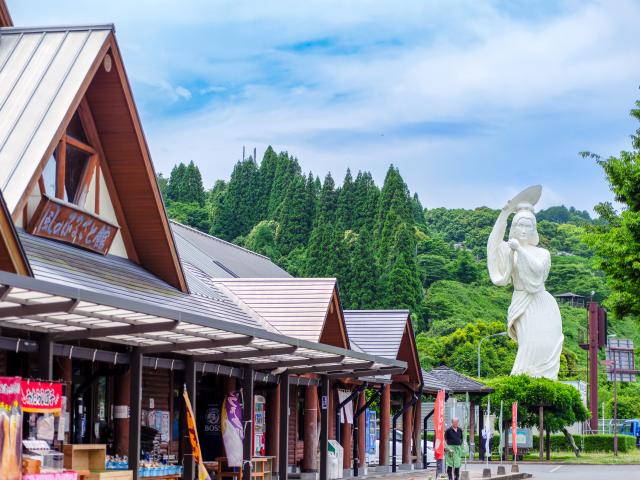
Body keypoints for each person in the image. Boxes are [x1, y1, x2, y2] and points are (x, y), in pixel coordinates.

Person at [487, 195, 564, 379]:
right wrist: (504, 215)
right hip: (522, 302)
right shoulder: (508, 250)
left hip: (543, 302)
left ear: (533, 229)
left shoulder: (542, 253)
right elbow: (493, 245)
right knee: (529, 343)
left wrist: (520, 249)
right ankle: (521, 380)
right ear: (514, 227)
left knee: (547, 344)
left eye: (528, 225)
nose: (523, 229)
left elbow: (537, 273)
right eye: (520, 225)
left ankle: (546, 383)